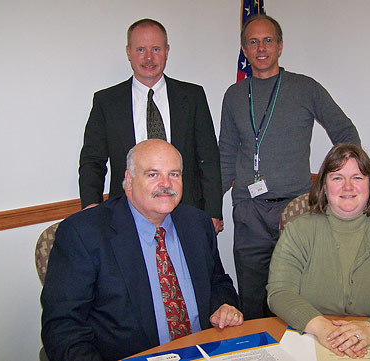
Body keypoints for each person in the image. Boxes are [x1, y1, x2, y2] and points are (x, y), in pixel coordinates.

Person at [42, 139, 242, 361]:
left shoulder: (197, 223)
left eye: (174, 174)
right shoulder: (84, 234)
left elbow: (219, 282)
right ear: (129, 181)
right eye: (153, 174)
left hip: (204, 353)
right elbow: (63, 330)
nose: (166, 184)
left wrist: (224, 305)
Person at [219, 14, 361, 319]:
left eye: (268, 40)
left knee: (299, 296)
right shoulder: (233, 96)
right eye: (253, 42)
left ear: (280, 46)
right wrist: (211, 209)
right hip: (249, 211)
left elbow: (346, 133)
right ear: (244, 49)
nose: (261, 48)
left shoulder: (305, 88)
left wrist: (333, 184)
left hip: (298, 209)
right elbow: (226, 155)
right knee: (253, 299)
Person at [267, 143, 370, 358]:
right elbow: (279, 293)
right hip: (313, 339)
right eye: (337, 178)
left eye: (358, 177)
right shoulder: (299, 230)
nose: (348, 186)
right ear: (324, 186)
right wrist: (323, 329)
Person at [79, 18, 223, 233]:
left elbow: (209, 158)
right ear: (128, 52)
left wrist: (212, 210)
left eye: (156, 49)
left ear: (167, 51)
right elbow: (92, 161)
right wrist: (92, 208)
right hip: (128, 215)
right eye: (140, 49)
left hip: (187, 212)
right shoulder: (106, 101)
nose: (148, 57)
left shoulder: (192, 97)